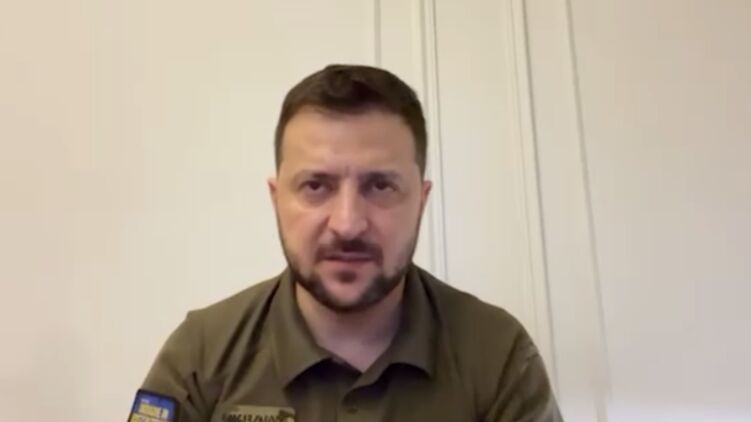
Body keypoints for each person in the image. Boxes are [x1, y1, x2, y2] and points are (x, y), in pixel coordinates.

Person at [128, 64, 563, 422]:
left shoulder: (498, 353)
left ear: (421, 200)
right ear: (277, 199)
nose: (348, 224)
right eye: (316, 186)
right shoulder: (201, 353)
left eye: (380, 186)